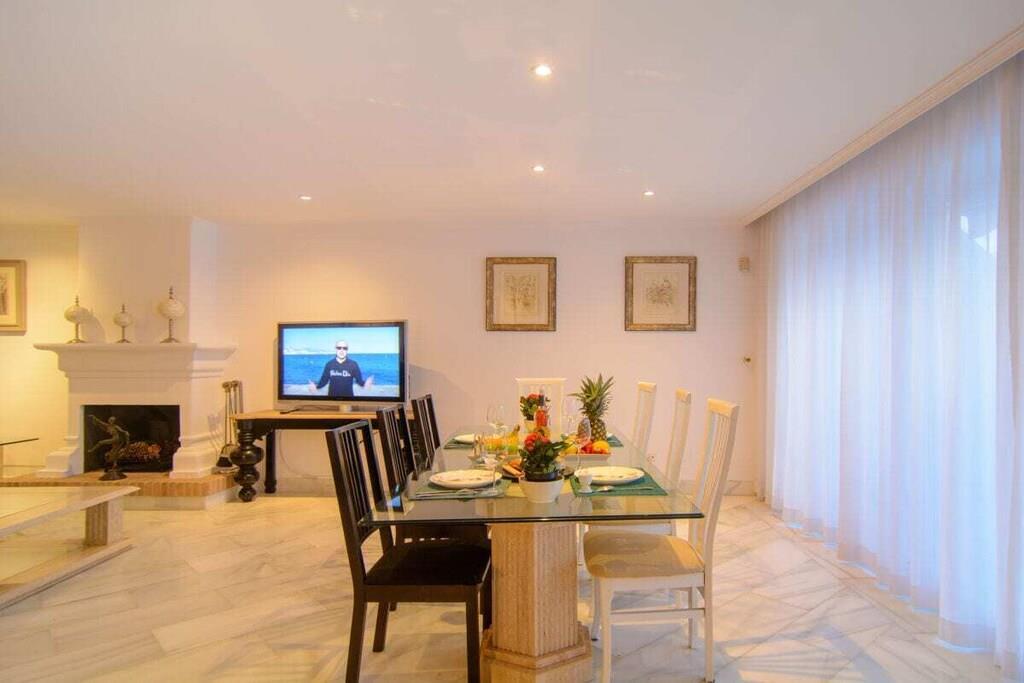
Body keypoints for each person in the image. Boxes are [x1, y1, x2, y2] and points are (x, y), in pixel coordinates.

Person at [308, 340, 374, 398]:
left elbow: (359, 382)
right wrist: (315, 386)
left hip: (349, 399)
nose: (342, 350)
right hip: (332, 399)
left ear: (347, 350)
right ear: (336, 349)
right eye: (339, 348)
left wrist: (366, 383)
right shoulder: (329, 364)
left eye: (344, 348)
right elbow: (323, 382)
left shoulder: (353, 364)